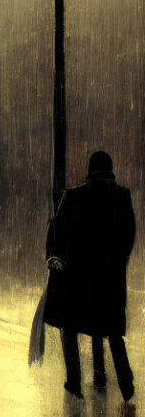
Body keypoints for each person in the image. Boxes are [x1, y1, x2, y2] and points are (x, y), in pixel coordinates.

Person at [44, 151, 136, 401]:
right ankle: (126, 386)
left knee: (70, 326)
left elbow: (58, 233)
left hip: (80, 282)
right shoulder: (122, 196)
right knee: (113, 334)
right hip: (111, 283)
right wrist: (116, 263)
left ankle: (74, 383)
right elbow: (129, 236)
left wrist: (59, 259)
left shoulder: (74, 197)